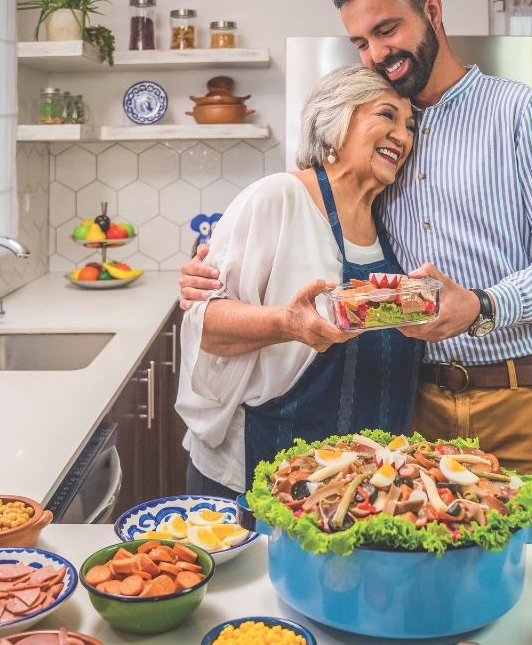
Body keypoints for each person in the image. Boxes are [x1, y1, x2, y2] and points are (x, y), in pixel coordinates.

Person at [181, 0, 532, 517]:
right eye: (361, 42)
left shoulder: (520, 113)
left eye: (387, 29)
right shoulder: (372, 165)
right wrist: (208, 266)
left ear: (431, 10)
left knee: (525, 564)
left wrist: (481, 306)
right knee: (423, 576)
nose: (377, 54)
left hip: (518, 394)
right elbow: (283, 241)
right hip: (413, 406)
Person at [175, 64, 424, 497]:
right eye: (387, 116)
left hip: (365, 480)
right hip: (260, 460)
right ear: (336, 121)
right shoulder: (278, 197)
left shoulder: (392, 221)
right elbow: (206, 327)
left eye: (410, 125)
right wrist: (286, 324)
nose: (403, 136)